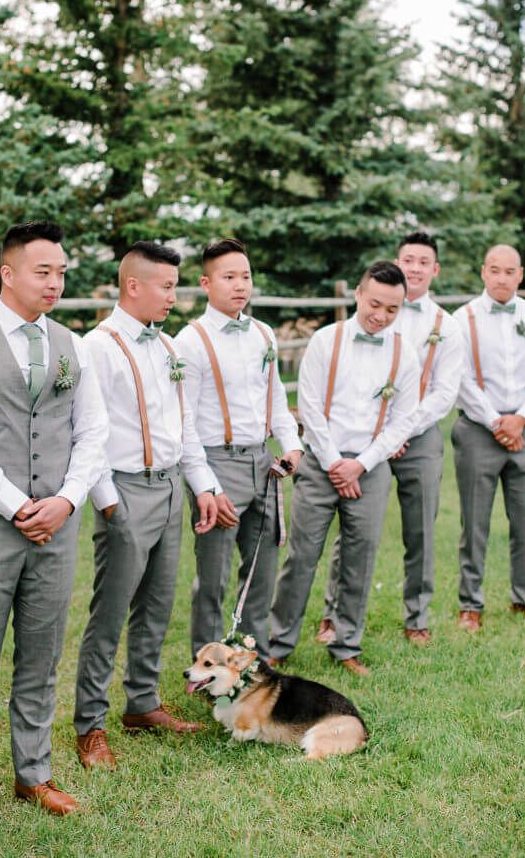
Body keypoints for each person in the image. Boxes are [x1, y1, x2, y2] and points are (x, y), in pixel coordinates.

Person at [0, 221, 108, 836]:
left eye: (61, 271)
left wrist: (65, 500)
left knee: (41, 656)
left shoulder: (73, 346)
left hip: (57, 528)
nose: (56, 282)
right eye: (43, 271)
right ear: (8, 273)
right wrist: (15, 506)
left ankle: (34, 775)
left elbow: (93, 432)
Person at [73, 241, 219, 770]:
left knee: (157, 606)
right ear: (133, 285)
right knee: (110, 613)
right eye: (166, 286)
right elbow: (83, 435)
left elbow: (186, 427)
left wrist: (200, 484)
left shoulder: (168, 347)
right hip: (124, 490)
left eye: (176, 286)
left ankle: (141, 703)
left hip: (169, 486)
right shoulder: (98, 347)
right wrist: (109, 505)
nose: (173, 297)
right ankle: (90, 725)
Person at [268, 261, 419, 676]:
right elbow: (311, 408)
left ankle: (346, 644)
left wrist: (361, 464)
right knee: (302, 556)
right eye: (375, 304)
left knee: (360, 557)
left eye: (392, 309)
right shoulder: (325, 341)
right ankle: (278, 642)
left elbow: (404, 420)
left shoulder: (406, 352)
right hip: (321, 464)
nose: (381, 315)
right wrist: (336, 463)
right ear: (357, 293)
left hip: (371, 468)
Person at [317, 232, 463, 647]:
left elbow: (444, 393)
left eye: (423, 261)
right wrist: (379, 439)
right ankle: (333, 615)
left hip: (418, 441)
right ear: (397, 263)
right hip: (365, 442)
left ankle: (416, 617)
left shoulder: (446, 326)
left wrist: (404, 430)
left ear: (434, 269)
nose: (414, 267)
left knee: (420, 530)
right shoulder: (376, 313)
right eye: (407, 259)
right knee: (353, 528)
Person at [175, 239, 303, 659]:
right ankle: (209, 664)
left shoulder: (263, 333)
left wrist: (293, 445)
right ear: (206, 283)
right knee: (213, 576)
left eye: (245, 276)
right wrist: (207, 486)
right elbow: (184, 421)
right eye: (229, 277)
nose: (239, 285)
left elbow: (276, 397)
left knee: (261, 569)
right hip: (217, 464)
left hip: (262, 461)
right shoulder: (190, 341)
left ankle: (253, 658)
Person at [452, 244, 525, 631]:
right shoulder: (461, 320)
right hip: (478, 431)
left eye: (509, 271)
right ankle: (470, 605)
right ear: (483, 272)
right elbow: (459, 378)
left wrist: (521, 419)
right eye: (494, 270)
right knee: (475, 521)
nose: (502, 278)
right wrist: (497, 421)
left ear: (521, 274)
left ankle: (524, 598)